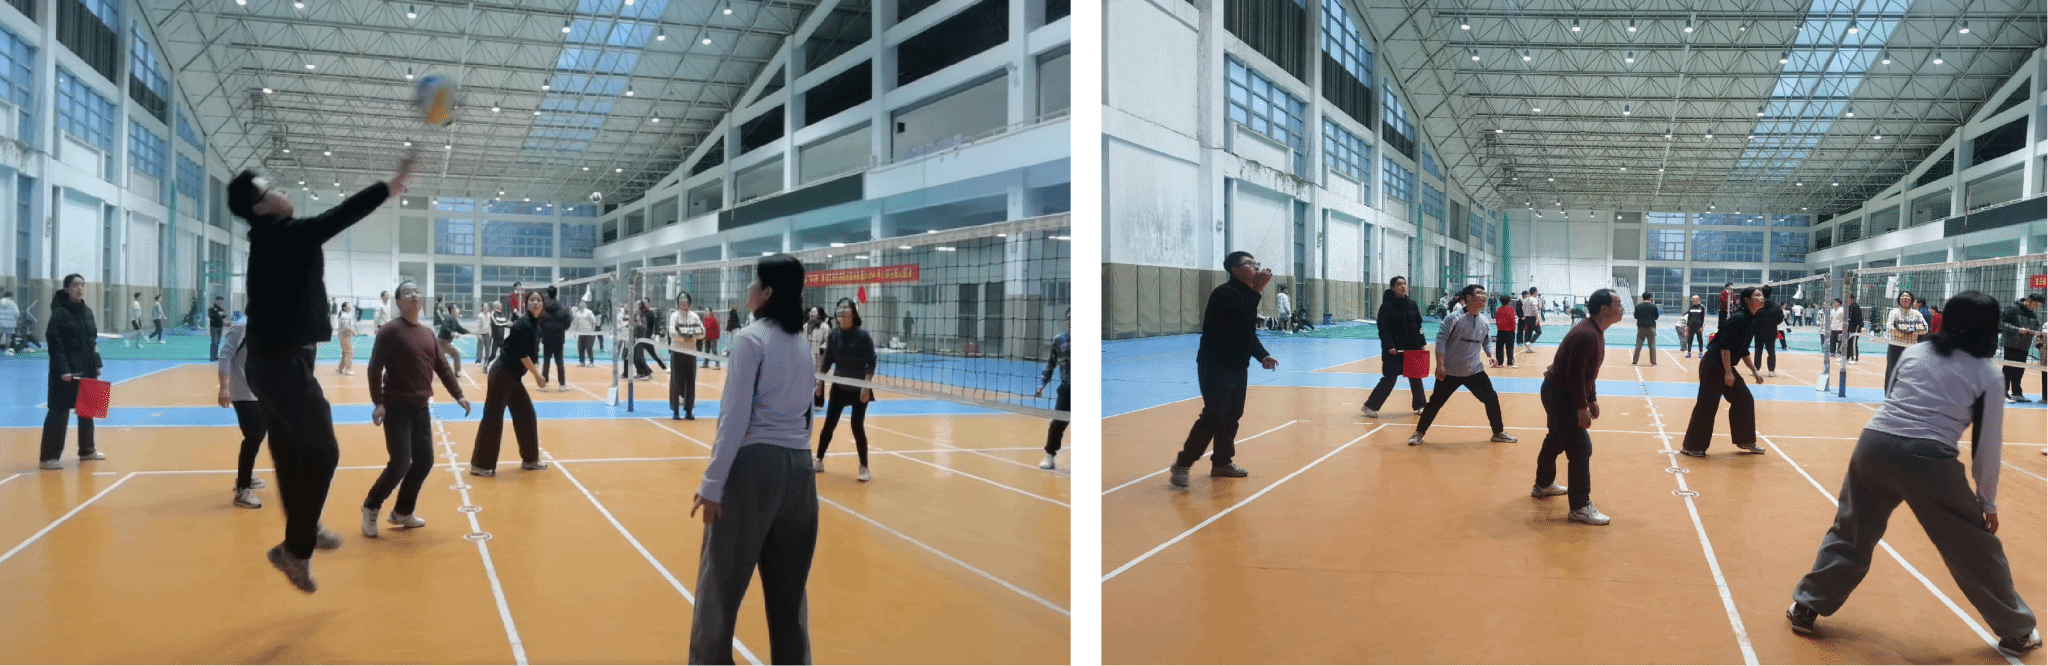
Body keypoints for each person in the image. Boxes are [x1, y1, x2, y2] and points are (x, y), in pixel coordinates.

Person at [1786, 291, 2041, 657]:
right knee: (1974, 548)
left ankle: (1806, 605)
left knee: (1851, 530)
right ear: (1989, 328)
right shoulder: (1988, 374)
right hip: (1929, 459)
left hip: (1873, 444)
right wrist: (1987, 502)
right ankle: (2017, 631)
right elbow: (1987, 446)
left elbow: (1892, 398)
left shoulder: (1915, 352)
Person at [228, 156, 412, 592]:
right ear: (260, 207)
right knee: (324, 451)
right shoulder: (285, 235)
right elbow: (341, 215)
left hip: (269, 363)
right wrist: (388, 187)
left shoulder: (269, 238)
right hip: (281, 363)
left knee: (288, 453)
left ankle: (300, 535)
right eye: (272, 190)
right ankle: (297, 547)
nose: (282, 192)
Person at [687, 254, 816, 666]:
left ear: (768, 292)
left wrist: (712, 485)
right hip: (801, 472)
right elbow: (808, 415)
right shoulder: (803, 344)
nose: (748, 288)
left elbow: (735, 417)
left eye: (753, 281)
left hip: (753, 470)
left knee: (718, 593)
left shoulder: (749, 339)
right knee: (789, 599)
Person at [363, 281, 471, 537]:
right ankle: (371, 506)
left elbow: (442, 367)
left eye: (416, 292)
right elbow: (374, 367)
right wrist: (378, 402)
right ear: (399, 302)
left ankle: (402, 512)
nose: (414, 295)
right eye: (407, 292)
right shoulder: (390, 331)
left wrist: (458, 394)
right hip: (396, 407)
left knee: (424, 461)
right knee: (400, 463)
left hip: (421, 408)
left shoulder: (427, 334)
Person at [1169, 251, 1277, 488]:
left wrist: (1262, 355)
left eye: (1256, 263)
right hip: (1215, 365)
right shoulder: (1224, 293)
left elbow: (1247, 332)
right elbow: (1240, 315)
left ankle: (1222, 463)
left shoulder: (1247, 295)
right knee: (1214, 414)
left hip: (1238, 365)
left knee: (1232, 415)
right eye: (1249, 263)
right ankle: (1182, 465)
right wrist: (1258, 290)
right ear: (1235, 270)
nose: (1256, 267)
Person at [1532, 288, 1624, 525]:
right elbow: (1574, 375)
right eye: (1618, 304)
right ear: (1604, 308)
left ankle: (1543, 485)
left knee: (1556, 439)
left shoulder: (1594, 331)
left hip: (1559, 391)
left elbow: (1587, 373)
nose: (1622, 308)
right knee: (1581, 447)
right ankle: (1580, 507)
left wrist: (1591, 398)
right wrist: (1582, 408)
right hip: (1560, 394)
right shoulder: (1587, 335)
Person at [1408, 285, 1514, 447]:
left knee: (1491, 398)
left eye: (1484, 293)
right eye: (1479, 293)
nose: (1484, 296)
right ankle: (1419, 433)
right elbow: (1441, 341)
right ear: (1468, 297)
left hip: (1474, 370)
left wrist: (1491, 356)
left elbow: (1486, 341)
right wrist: (1440, 365)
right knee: (1435, 403)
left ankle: (1498, 432)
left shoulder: (1485, 321)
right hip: (1450, 371)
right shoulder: (1453, 318)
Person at [469, 290, 550, 476]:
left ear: (542, 305)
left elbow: (531, 354)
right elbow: (523, 356)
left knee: (526, 414)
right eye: (532, 300)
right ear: (526, 304)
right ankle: (481, 465)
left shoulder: (535, 325)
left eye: (539, 300)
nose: (535, 303)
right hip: (502, 374)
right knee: (493, 418)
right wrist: (538, 377)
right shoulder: (523, 324)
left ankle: (530, 460)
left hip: (513, 377)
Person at [1680, 286, 1767, 457]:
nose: (1762, 297)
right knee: (1707, 405)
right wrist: (1728, 372)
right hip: (1713, 365)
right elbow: (1725, 347)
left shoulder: (1751, 321)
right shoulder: (1738, 319)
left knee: (1744, 399)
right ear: (1747, 300)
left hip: (1724, 365)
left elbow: (1743, 350)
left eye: (1762, 295)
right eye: (1757, 295)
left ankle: (1745, 441)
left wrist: (1755, 371)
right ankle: (1691, 447)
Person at [40, 274, 105, 470]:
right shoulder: (59, 313)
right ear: (67, 289)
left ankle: (87, 451)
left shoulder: (87, 311)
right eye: (75, 285)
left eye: (82, 285)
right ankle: (49, 457)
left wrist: (97, 364)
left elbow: (92, 341)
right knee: (59, 412)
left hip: (87, 367)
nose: (80, 288)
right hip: (66, 372)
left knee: (88, 410)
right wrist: (64, 370)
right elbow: (55, 345)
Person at [816, 296, 879, 480]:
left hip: (859, 388)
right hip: (839, 387)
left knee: (857, 426)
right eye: (839, 308)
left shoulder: (863, 336)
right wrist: (820, 382)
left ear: (853, 313)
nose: (841, 310)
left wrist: (866, 386)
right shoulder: (834, 334)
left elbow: (872, 361)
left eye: (846, 308)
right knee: (829, 424)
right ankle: (819, 460)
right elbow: (828, 360)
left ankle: (864, 467)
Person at [217, 313, 268, 508]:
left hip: (257, 391)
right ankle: (243, 489)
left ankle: (245, 477)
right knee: (254, 435)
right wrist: (224, 388)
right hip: (242, 391)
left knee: (258, 433)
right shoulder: (241, 327)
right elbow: (225, 356)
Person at [1360, 276, 1427, 419]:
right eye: (1399, 284)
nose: (1403, 286)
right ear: (1392, 288)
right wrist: (1389, 346)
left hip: (1412, 348)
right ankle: (1370, 406)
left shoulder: (1412, 304)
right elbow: (1383, 329)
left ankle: (1421, 405)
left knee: (1415, 377)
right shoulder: (1386, 307)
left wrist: (1421, 342)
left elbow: (1418, 325)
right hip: (1394, 350)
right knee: (1390, 378)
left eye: (1404, 284)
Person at [1036, 307, 1072, 470]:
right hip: (1066, 389)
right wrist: (1042, 384)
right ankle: (1049, 456)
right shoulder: (1059, 340)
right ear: (1066, 322)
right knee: (1058, 423)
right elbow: (1050, 363)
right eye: (1069, 320)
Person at [1999, 294, 2043, 403]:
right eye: (2035, 305)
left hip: (2024, 344)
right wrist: (2017, 329)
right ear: (2029, 300)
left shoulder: (2032, 314)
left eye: (2037, 306)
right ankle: (2003, 394)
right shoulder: (2012, 309)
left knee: (2020, 370)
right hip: (2011, 344)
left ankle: (2017, 393)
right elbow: (2001, 323)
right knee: (2008, 369)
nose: (2035, 307)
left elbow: (2037, 326)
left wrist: (2040, 331)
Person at [1885, 290, 1929, 397]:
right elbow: (1889, 328)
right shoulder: (1893, 312)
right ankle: (1889, 396)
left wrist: (1912, 331)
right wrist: (1902, 332)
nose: (1905, 298)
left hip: (1911, 348)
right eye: (1903, 296)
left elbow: (1925, 329)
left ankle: (1908, 396)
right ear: (1899, 300)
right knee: (1892, 372)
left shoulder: (1917, 313)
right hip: (1895, 346)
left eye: (1908, 297)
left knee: (1911, 373)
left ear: (1911, 300)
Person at [669, 292, 704, 420]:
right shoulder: (674, 316)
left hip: (691, 353)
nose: (683, 303)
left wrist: (692, 335)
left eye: (686, 300)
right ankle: (675, 410)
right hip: (677, 352)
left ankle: (689, 410)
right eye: (681, 300)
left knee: (690, 382)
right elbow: (672, 332)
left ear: (689, 302)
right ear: (678, 302)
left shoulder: (694, 316)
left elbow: (702, 332)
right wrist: (684, 336)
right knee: (675, 382)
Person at [539, 286, 571, 392]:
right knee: (559, 361)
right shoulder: (563, 308)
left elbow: (539, 322)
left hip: (547, 338)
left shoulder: (543, 309)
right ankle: (562, 385)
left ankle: (543, 385)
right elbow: (568, 321)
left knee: (546, 361)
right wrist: (561, 329)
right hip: (559, 338)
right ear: (556, 293)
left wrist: (545, 330)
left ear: (548, 293)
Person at [1751, 286, 1783, 377]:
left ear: (1762, 293)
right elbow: (1780, 318)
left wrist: (1757, 324)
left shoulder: (1758, 305)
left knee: (1758, 350)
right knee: (1771, 350)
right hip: (1771, 331)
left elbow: (1753, 316)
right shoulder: (1776, 306)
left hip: (1759, 330)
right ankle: (1771, 371)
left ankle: (1756, 369)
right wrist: (1773, 323)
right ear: (1771, 293)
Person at [437, 302, 470, 374]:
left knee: (440, 359)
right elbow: (445, 327)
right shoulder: (449, 318)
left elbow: (460, 329)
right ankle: (458, 372)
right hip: (443, 342)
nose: (457, 309)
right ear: (452, 310)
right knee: (456, 353)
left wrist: (471, 332)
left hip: (444, 342)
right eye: (456, 308)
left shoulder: (454, 320)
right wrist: (452, 333)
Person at [1632, 291, 1660, 366]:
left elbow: (1635, 316)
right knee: (1652, 345)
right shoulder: (1654, 306)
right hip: (1651, 327)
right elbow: (1656, 317)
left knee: (1638, 345)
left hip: (1641, 327)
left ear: (1642, 297)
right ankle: (1653, 362)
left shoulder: (1638, 306)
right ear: (1650, 297)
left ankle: (1635, 361)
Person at [1493, 295, 1518, 369]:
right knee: (1510, 347)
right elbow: (1512, 321)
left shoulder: (1498, 309)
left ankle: (1499, 363)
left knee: (1499, 347)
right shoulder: (1510, 309)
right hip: (1509, 331)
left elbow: (1496, 320)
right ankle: (1510, 363)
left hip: (1500, 331)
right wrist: (1513, 330)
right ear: (1509, 301)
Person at [573, 301, 600, 367]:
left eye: (583, 304)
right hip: (580, 333)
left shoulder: (589, 312)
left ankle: (591, 362)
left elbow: (594, 321)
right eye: (580, 304)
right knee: (580, 348)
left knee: (589, 348)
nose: (581, 305)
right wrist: (575, 332)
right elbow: (576, 323)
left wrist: (592, 330)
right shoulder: (577, 313)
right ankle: (582, 362)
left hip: (588, 333)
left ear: (585, 305)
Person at [335, 302, 357, 376]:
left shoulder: (346, 315)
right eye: (348, 306)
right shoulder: (345, 316)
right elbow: (346, 327)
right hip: (344, 336)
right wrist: (353, 332)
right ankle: (348, 369)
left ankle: (340, 368)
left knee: (345, 353)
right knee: (349, 352)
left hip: (344, 336)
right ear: (344, 308)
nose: (350, 307)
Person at [1845, 293, 1865, 364]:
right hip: (1850, 327)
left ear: (1851, 299)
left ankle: (1855, 358)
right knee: (1848, 342)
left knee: (1853, 343)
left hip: (1856, 327)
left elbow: (1860, 317)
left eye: (1847, 298)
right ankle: (1847, 357)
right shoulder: (1848, 306)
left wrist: (1861, 326)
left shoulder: (1855, 306)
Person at [701, 304, 723, 369]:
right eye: (705, 311)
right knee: (706, 351)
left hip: (713, 337)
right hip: (707, 337)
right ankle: (706, 364)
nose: (706, 312)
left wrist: (718, 337)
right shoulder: (704, 319)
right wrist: (703, 337)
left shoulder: (714, 319)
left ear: (710, 312)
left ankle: (717, 365)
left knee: (714, 351)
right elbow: (704, 328)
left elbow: (717, 328)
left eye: (707, 311)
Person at [1521, 287, 1543, 352]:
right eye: (1537, 291)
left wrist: (1525, 316)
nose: (1538, 292)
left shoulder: (1525, 300)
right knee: (1539, 331)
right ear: (1535, 292)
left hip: (1527, 318)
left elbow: (1523, 309)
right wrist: (1537, 319)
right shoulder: (1533, 299)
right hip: (1533, 318)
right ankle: (1530, 342)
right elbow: (1535, 310)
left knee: (1529, 333)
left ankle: (1528, 349)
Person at [208, 296, 228, 361]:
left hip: (220, 327)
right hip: (214, 327)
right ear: (216, 301)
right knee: (214, 341)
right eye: (219, 302)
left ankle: (215, 355)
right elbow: (211, 316)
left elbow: (224, 317)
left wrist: (223, 314)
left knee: (218, 342)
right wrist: (218, 314)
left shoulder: (221, 309)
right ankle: (212, 357)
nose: (220, 303)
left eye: (221, 302)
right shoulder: (212, 308)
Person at [0, 290, 18, 356]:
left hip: (1, 323)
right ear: (10, 296)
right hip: (10, 323)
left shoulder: (0, 302)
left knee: (0, 334)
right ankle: (7, 349)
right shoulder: (13, 304)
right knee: (8, 337)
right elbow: (17, 313)